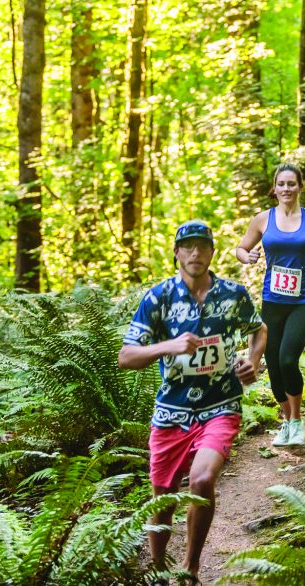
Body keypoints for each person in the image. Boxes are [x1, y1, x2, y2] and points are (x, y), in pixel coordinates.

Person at [119, 220, 268, 583]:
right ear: (177, 253)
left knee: (202, 480)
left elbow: (259, 330)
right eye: (188, 247)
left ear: (212, 252)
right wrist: (167, 346)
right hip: (172, 411)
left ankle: (190, 567)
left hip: (221, 406)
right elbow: (127, 356)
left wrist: (253, 362)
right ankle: (157, 569)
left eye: (203, 246)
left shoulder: (233, 294)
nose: (195, 253)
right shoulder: (159, 297)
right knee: (163, 499)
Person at [234, 164, 305, 447]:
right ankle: (286, 422)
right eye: (282, 184)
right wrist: (247, 257)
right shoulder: (262, 219)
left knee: (288, 359)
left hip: (304, 300)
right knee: (274, 365)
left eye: (292, 183)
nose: (287, 189)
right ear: (274, 189)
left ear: (300, 187)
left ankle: (298, 421)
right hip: (272, 300)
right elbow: (240, 248)